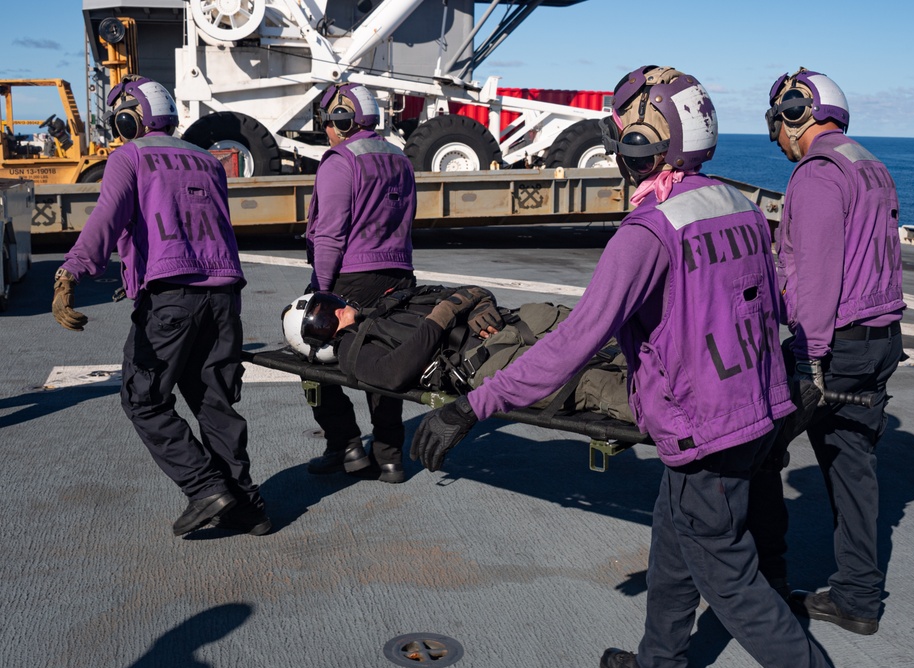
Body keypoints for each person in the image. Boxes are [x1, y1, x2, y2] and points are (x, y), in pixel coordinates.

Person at [408, 66, 893, 668]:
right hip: (757, 411)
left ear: (644, 142)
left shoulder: (648, 231)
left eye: (625, 133)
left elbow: (571, 346)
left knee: (734, 580)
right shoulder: (734, 201)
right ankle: (663, 667)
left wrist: (471, 406)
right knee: (677, 525)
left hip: (708, 425)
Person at [51, 75, 270, 537]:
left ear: (130, 118)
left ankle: (205, 488)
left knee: (143, 399)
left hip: (171, 299)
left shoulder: (129, 156)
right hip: (223, 296)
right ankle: (249, 507)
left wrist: (70, 270)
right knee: (214, 403)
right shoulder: (209, 162)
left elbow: (106, 220)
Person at [750, 69, 905, 634]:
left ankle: (763, 591)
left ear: (796, 113)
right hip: (883, 340)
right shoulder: (870, 164)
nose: (779, 142)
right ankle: (859, 599)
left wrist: (810, 359)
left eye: (779, 126)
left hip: (834, 349)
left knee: (760, 452)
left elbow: (814, 279)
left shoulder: (817, 176)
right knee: (852, 467)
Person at [281, 286, 633, 422]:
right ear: (320, 341)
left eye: (331, 305)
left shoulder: (391, 302)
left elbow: (467, 292)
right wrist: (442, 316)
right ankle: (682, 414)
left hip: (515, 322)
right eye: (324, 320)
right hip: (486, 364)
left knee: (607, 329)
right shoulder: (353, 355)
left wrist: (480, 304)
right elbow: (393, 374)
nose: (338, 312)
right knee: (593, 383)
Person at [302, 82, 418, 484]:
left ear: (341, 119)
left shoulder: (340, 160)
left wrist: (320, 288)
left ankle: (345, 445)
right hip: (400, 274)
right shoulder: (399, 158)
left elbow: (330, 234)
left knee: (309, 356)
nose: (328, 130)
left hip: (353, 276)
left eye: (329, 122)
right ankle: (389, 458)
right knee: (384, 363)